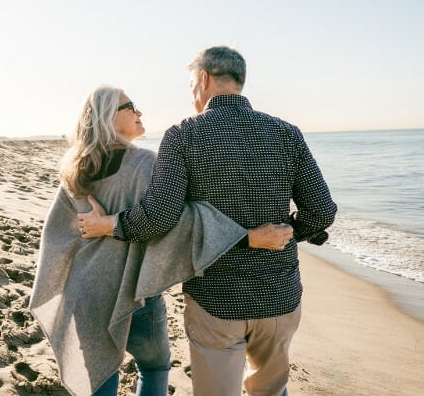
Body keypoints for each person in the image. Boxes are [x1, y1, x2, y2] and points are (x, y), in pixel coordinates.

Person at [77, 46, 337, 396]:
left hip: (217, 297)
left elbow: (159, 216)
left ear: (203, 79)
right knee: (271, 390)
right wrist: (288, 232)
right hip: (280, 294)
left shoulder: (183, 134)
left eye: (190, 85)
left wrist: (111, 224)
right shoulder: (286, 132)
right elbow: (322, 211)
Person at [29, 85, 293, 396]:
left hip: (86, 293)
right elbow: (179, 222)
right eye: (130, 106)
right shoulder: (145, 164)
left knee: (100, 375)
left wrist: (91, 235)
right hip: (135, 293)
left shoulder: (75, 168)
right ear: (107, 118)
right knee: (154, 366)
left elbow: (57, 234)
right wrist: (247, 237)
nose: (139, 111)